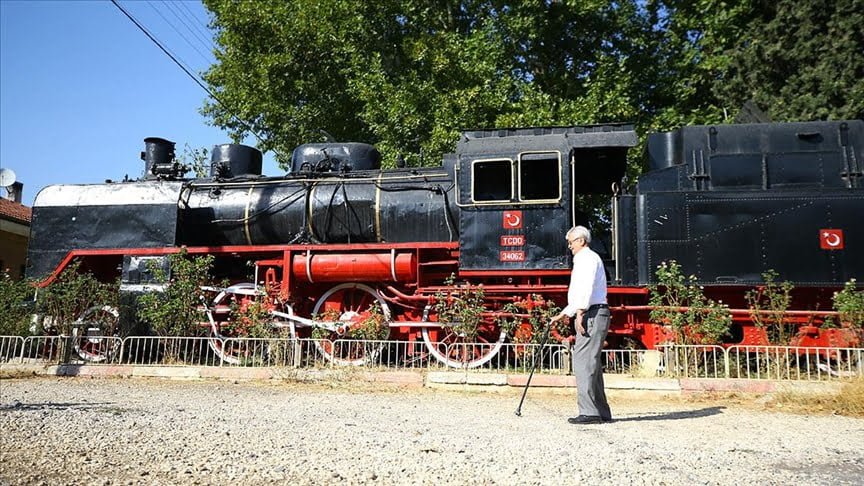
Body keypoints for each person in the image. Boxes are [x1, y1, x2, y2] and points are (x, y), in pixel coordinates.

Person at [549, 225, 612, 424]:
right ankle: (601, 411)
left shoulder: (585, 258)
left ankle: (589, 412)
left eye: (571, 242)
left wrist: (580, 311)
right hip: (594, 311)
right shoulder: (589, 258)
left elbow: (585, 287)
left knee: (583, 361)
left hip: (591, 313)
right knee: (591, 363)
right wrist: (563, 314)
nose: (569, 246)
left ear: (581, 241)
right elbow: (580, 293)